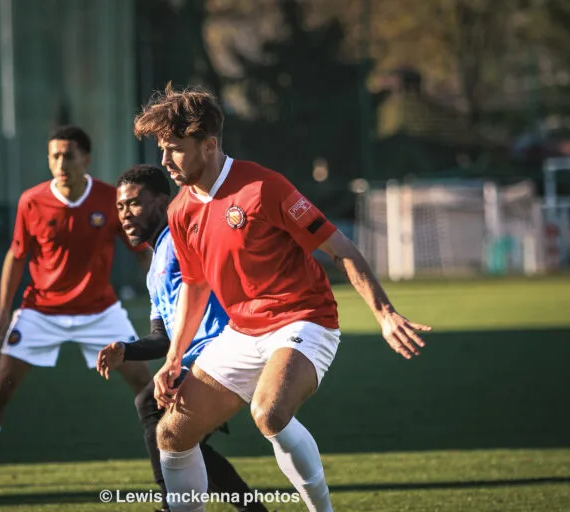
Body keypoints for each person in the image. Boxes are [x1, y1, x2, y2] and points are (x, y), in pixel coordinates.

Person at [133, 84, 432, 512]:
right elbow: (196, 286)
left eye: (175, 149)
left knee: (269, 413)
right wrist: (174, 358)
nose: (164, 161)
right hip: (241, 333)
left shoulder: (263, 187)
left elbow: (339, 249)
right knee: (171, 434)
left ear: (209, 144)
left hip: (304, 320)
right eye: (161, 149)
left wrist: (384, 314)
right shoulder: (181, 209)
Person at [0, 126, 153, 501]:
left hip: (99, 311)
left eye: (68, 155)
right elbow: (17, 255)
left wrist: (162, 298)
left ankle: (182, 463)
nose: (60, 163)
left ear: (86, 159)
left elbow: (140, 249)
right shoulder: (32, 201)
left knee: (147, 383)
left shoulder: (109, 199)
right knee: (1, 387)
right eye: (54, 155)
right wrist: (2, 314)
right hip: (40, 311)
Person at [96, 164, 267, 512]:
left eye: (134, 203)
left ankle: (171, 504)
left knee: (153, 408)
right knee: (180, 439)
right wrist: (125, 349)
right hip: (192, 361)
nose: (125, 214)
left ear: (162, 201)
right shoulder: (154, 263)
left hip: (224, 353)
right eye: (120, 207)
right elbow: (163, 337)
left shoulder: (182, 239)